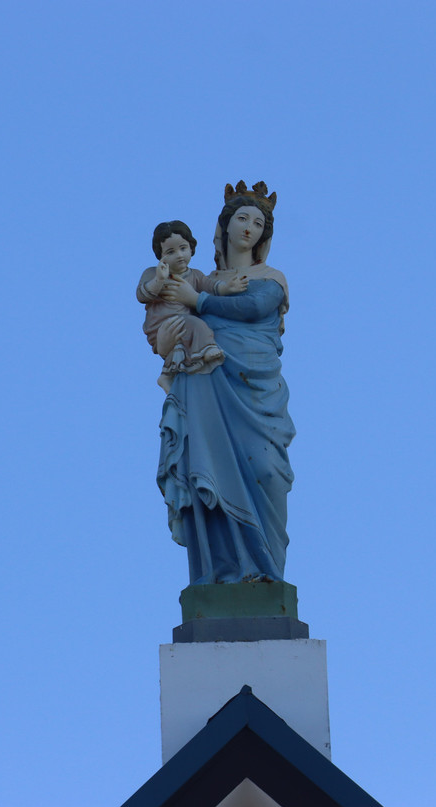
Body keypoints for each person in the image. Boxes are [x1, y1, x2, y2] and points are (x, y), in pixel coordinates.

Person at [156, 182, 295, 585]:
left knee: (267, 472)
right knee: (209, 477)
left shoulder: (269, 278)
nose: (249, 227)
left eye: (258, 222)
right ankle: (223, 575)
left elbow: (253, 306)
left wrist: (199, 303)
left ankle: (268, 573)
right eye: (242, 218)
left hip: (257, 395)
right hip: (206, 387)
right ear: (226, 226)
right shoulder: (200, 280)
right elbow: (169, 328)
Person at [137, 220, 248, 392]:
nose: (179, 255)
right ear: (161, 256)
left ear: (191, 247)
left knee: (183, 342)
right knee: (196, 324)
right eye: (171, 252)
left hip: (184, 324)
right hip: (160, 326)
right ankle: (208, 348)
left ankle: (167, 377)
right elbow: (142, 295)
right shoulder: (153, 273)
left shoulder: (195, 275)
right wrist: (159, 279)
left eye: (183, 248)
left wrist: (228, 288)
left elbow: (211, 287)